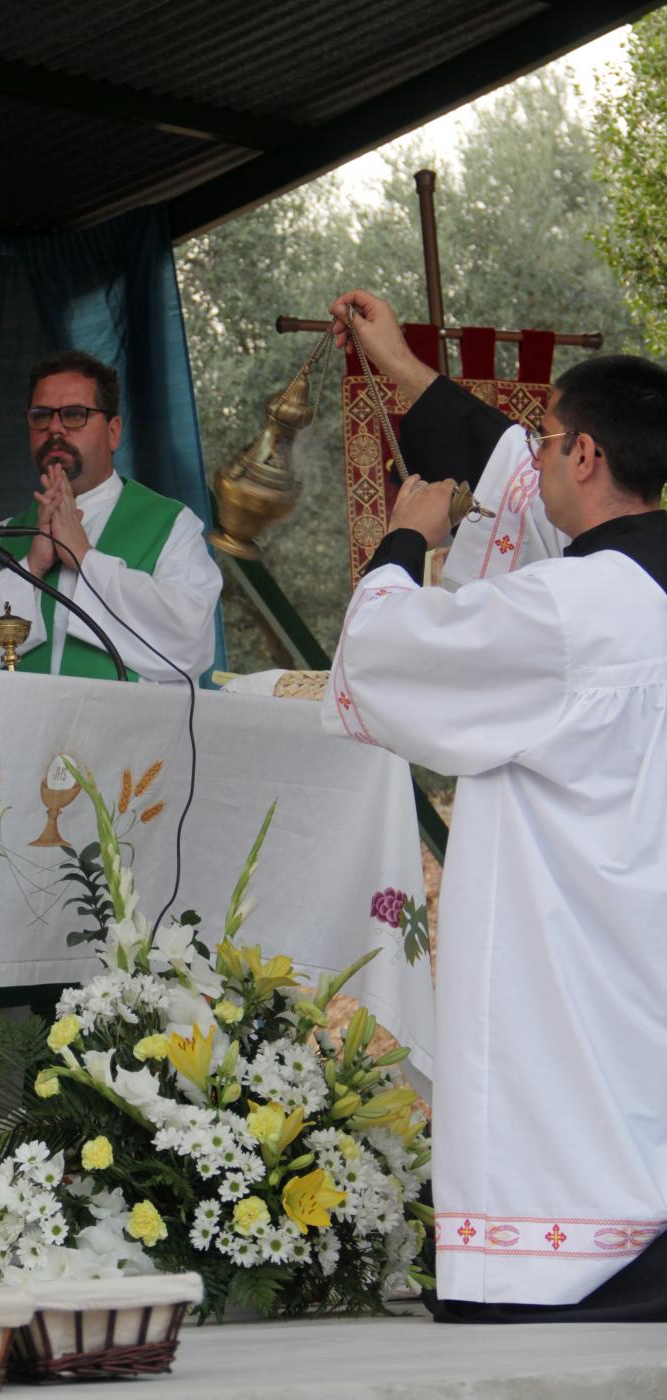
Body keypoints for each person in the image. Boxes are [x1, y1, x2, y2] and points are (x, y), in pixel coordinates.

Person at [322, 289, 667, 1322]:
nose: (537, 455)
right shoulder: (633, 596)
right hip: (639, 924)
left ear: (588, 457)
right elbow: (504, 460)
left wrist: (401, 542)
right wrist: (403, 371)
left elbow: (385, 664)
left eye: (550, 436)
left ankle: (553, 1269)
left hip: (563, 930)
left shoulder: (571, 610)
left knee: (556, 1086)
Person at [0, 349, 222, 682]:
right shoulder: (3, 536)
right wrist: (29, 569)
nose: (54, 429)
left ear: (113, 432)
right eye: (40, 416)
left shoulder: (171, 524)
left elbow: (190, 640)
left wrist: (84, 557)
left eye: (75, 414)